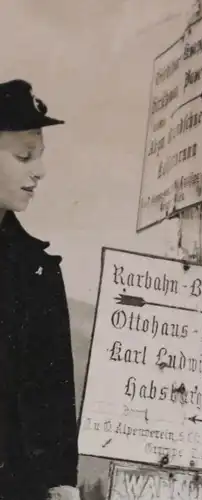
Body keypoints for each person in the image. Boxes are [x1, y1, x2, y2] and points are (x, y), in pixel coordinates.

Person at [0, 80, 79, 500]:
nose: (39, 171)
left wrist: (63, 482)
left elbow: (54, 396)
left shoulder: (38, 271)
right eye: (24, 156)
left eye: (40, 157)